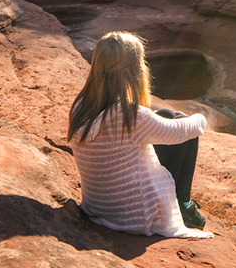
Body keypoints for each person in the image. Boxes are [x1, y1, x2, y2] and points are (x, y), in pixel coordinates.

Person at [67, 31, 212, 238]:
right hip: (135, 213)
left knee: (165, 115)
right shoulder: (129, 115)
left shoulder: (81, 105)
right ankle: (184, 205)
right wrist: (201, 117)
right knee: (183, 127)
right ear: (134, 70)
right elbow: (184, 131)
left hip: (99, 205)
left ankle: (184, 203)